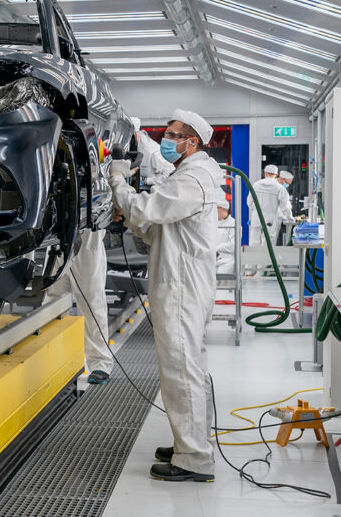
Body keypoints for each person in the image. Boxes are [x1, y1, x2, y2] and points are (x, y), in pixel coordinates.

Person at [109, 108, 222, 483]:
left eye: (173, 135)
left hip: (181, 288)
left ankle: (194, 458)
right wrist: (136, 221)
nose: (167, 140)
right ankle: (189, 443)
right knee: (187, 366)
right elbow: (159, 226)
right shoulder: (187, 175)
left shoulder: (193, 179)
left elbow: (147, 208)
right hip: (181, 282)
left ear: (191, 142)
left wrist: (118, 181)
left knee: (181, 369)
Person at [69, 229, 113, 384]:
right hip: (56, 237)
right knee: (53, 304)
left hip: (87, 237)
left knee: (91, 303)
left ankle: (100, 363)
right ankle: (61, 362)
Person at [246, 165, 287, 247]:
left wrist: (254, 211)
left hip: (256, 218)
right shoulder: (279, 188)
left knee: (254, 243)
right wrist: (288, 217)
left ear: (265, 173)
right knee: (268, 244)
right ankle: (265, 260)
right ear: (276, 174)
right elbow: (285, 206)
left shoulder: (256, 185)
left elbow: (249, 202)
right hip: (270, 220)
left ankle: (253, 260)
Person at [132, 117, 174, 188]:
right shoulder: (134, 146)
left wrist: (147, 181)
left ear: (137, 134)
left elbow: (169, 174)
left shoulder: (152, 151)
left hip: (154, 189)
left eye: (133, 135)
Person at [215, 189, 235, 276]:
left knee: (221, 283)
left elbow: (233, 245)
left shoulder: (233, 223)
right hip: (211, 259)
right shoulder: (212, 223)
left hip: (226, 261)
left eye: (216, 209)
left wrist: (216, 248)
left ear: (222, 209)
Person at [274, 170, 296, 245]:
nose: (287, 185)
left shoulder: (271, 184)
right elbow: (286, 206)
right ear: (282, 179)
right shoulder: (280, 189)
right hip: (274, 219)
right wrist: (290, 218)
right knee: (270, 242)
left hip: (262, 218)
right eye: (287, 183)